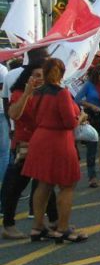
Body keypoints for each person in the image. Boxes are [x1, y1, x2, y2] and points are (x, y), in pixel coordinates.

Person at [23, 58, 89, 243]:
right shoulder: (62, 93)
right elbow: (69, 122)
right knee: (67, 185)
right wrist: (82, 116)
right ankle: (62, 228)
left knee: (43, 183)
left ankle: (37, 227)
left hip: (40, 138)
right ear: (61, 73)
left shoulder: (37, 93)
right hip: (59, 140)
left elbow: (33, 116)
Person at [2, 62, 59, 239]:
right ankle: (9, 225)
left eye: (42, 75)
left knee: (45, 183)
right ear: (27, 78)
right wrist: (27, 93)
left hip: (44, 144)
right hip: (25, 146)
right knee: (16, 185)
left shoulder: (48, 94)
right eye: (35, 75)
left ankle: (53, 221)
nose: (39, 79)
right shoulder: (19, 94)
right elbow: (14, 114)